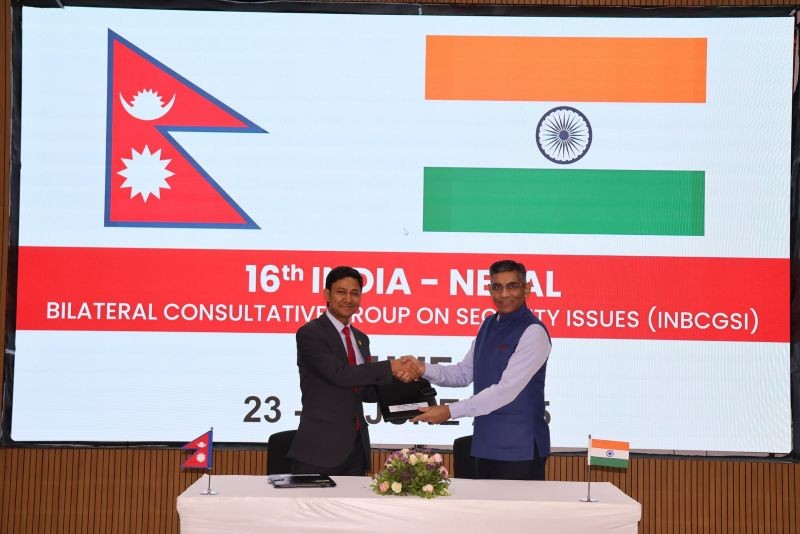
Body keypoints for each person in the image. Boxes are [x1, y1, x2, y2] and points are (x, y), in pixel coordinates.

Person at [403, 259, 552, 480]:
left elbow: (505, 391)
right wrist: (422, 369)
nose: (504, 294)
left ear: (527, 288)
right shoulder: (487, 324)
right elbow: (463, 373)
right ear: (489, 289)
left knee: (516, 505)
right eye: (497, 287)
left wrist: (449, 411)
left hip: (519, 448)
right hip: (485, 443)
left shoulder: (533, 332)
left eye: (512, 286)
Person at [287, 266, 415, 476]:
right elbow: (339, 375)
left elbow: (365, 390)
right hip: (318, 450)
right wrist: (390, 366)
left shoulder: (361, 339)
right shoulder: (310, 333)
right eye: (341, 292)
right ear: (327, 295)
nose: (348, 299)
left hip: (355, 448)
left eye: (355, 293)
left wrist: (403, 390)